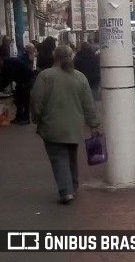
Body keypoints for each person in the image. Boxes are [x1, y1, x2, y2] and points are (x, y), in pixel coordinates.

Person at [31, 45, 100, 204]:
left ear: (54, 56)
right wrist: (93, 123)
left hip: (51, 125)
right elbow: (88, 103)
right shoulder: (79, 77)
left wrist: (37, 119)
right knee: (71, 157)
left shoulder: (45, 76)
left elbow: (37, 101)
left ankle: (65, 190)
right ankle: (73, 187)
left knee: (58, 158)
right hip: (74, 127)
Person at [0, 56, 36, 125]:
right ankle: (18, 117)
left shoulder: (10, 63)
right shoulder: (4, 64)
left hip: (28, 79)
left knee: (25, 98)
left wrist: (1, 87)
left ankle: (26, 118)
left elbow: (7, 79)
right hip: (21, 80)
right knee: (18, 99)